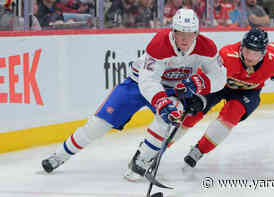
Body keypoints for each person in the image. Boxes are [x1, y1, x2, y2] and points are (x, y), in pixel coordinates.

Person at [41, 8, 227, 174]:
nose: (185, 39)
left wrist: (199, 83)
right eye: (180, 33)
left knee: (170, 116)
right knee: (98, 125)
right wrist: (161, 101)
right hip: (137, 84)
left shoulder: (207, 47)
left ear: (197, 33)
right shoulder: (160, 43)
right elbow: (148, 80)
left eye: (190, 33)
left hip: (172, 89)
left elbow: (220, 78)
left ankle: (142, 160)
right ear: (173, 31)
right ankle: (59, 155)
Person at [176, 28, 274, 169]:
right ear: (241, 47)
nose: (250, 57)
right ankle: (159, 146)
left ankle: (199, 151)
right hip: (219, 85)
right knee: (192, 113)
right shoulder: (227, 56)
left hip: (248, 93)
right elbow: (206, 77)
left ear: (264, 53)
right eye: (247, 51)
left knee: (231, 115)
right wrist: (196, 96)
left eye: (255, 53)